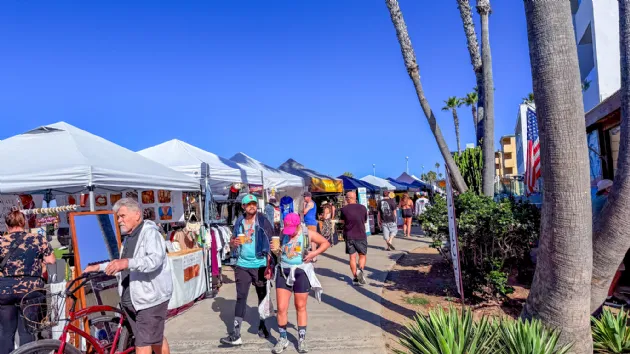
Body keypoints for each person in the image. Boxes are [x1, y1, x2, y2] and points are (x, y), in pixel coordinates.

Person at [84, 198, 172, 354]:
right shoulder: (129, 238)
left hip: (149, 300)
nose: (119, 221)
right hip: (134, 300)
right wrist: (98, 267)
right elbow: (121, 263)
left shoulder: (150, 233)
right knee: (154, 338)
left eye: (122, 216)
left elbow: (154, 260)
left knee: (142, 343)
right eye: (118, 217)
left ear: (137, 214)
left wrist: (125, 263)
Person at [220, 194, 274, 346]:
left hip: (260, 264)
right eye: (248, 204)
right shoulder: (239, 221)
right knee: (241, 298)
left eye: (254, 203)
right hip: (242, 265)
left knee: (262, 297)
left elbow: (271, 241)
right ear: (243, 206)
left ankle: (263, 326)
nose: (252, 206)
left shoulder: (263, 220)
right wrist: (233, 242)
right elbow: (232, 240)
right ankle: (236, 334)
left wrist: (270, 264)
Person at [271, 213, 329, 354]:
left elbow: (326, 243)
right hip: (283, 272)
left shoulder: (307, 233)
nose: (289, 233)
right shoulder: (283, 233)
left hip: (301, 271)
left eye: (292, 230)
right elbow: (281, 252)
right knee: (281, 307)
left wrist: (313, 254)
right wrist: (275, 251)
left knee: (300, 306)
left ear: (298, 225)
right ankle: (283, 338)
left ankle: (301, 339)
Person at [0, 210, 56, 354]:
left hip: (5, 291)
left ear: (7, 225)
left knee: (6, 333)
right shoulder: (37, 239)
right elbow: (51, 260)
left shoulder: (1, 242)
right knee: (27, 332)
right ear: (23, 223)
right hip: (31, 291)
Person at [339, 191, 368, 286]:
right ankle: (360, 270)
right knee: (362, 255)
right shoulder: (363, 208)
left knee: (352, 257)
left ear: (347, 198)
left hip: (349, 235)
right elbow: (364, 220)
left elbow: (342, 221)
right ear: (355, 198)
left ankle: (355, 277)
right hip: (361, 235)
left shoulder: (344, 209)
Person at [302, 192, 318, 262]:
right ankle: (310, 256)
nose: (303, 198)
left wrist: (304, 205)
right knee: (308, 240)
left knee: (312, 241)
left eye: (304, 197)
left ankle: (314, 257)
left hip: (311, 223)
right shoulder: (309, 203)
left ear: (308, 197)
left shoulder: (310, 203)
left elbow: (304, 212)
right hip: (308, 223)